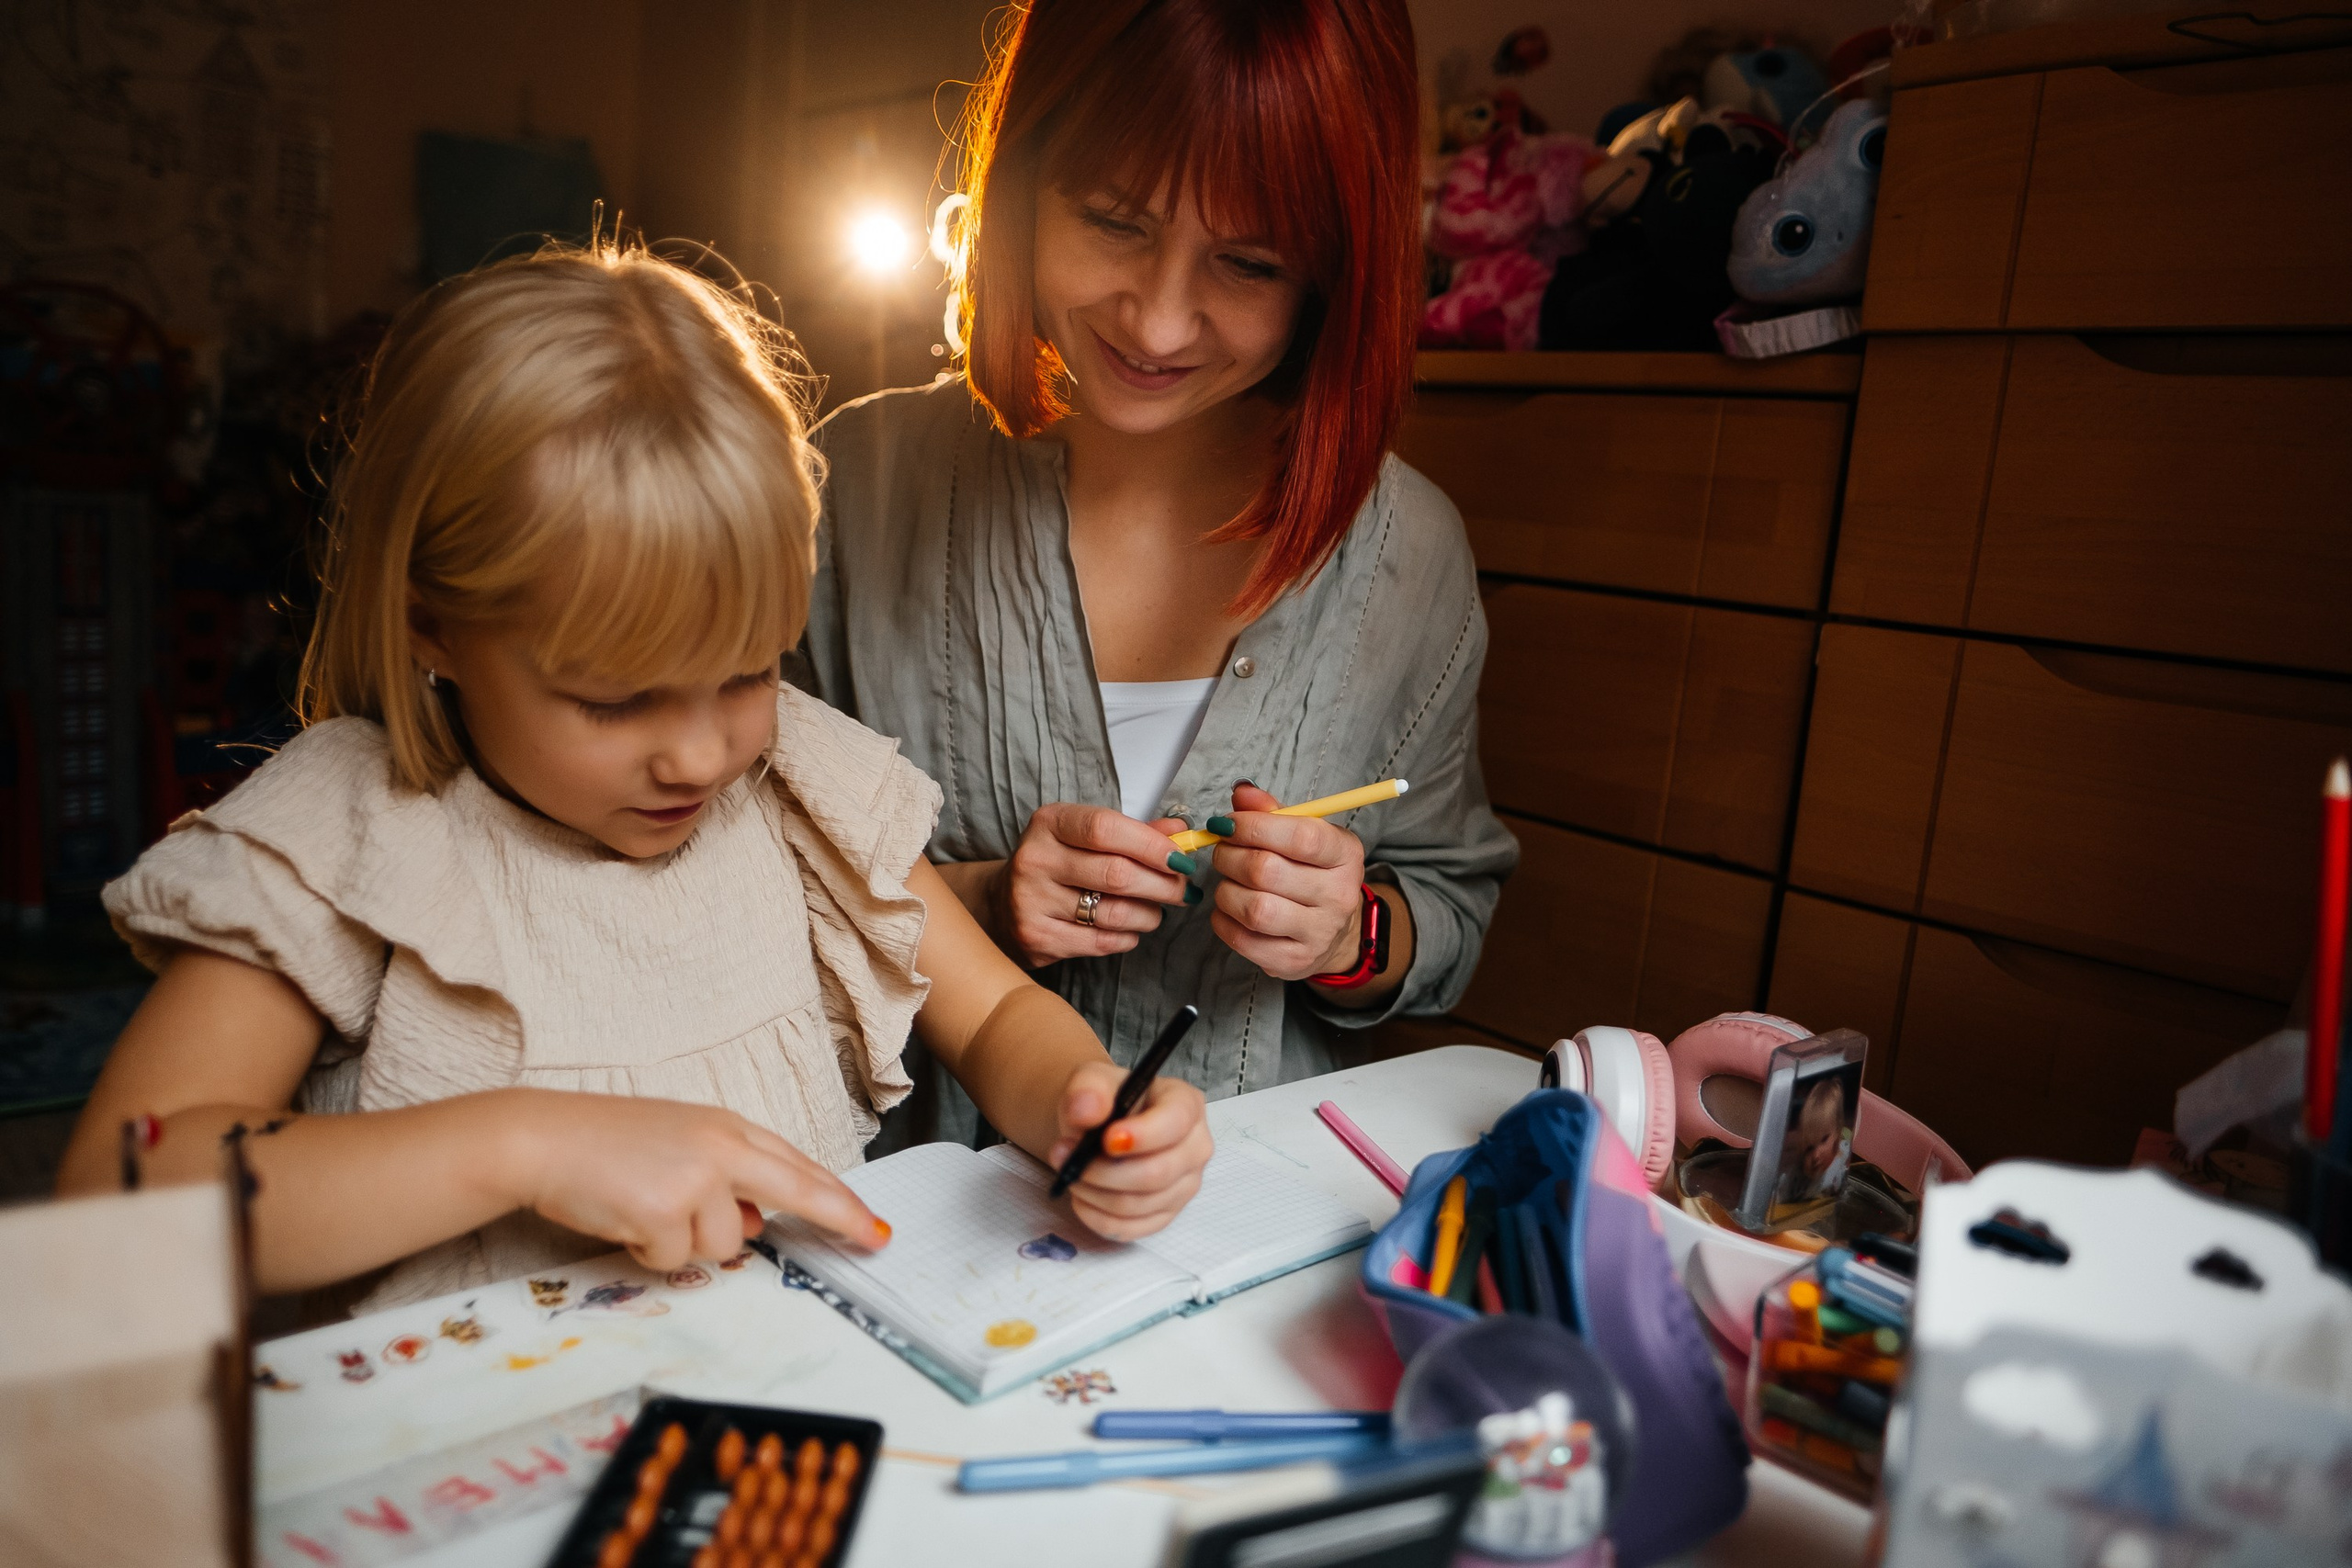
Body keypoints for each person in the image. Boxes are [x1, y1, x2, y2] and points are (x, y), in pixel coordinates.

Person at [53, 244, 1212, 1310]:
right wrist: (523, 1146)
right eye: (614, 700)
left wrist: (1084, 1103)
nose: (702, 754)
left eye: (746, 672)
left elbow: (1000, 1013)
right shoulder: (351, 833)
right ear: (434, 630)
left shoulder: (796, 782)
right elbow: (117, 1201)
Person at [806, 0, 1518, 1146]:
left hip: (1242, 1218)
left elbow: (1448, 898)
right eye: (1113, 221)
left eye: (1246, 262)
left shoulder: (1406, 556)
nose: (1159, 319)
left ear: (1333, 276)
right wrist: (982, 904)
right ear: (1022, 180)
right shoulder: (848, 491)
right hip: (904, 1223)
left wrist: (1348, 936)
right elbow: (721, 862)